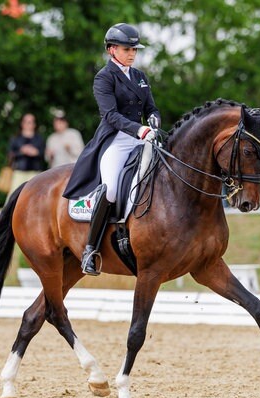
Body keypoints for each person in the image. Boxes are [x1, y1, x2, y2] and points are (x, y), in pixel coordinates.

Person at [62, 23, 161, 276]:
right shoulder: (104, 78)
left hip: (142, 137)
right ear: (111, 50)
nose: (132, 54)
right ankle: (90, 249)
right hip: (116, 140)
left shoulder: (139, 77)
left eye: (134, 50)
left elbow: (150, 107)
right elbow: (111, 115)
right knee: (112, 190)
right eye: (127, 49)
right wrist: (139, 130)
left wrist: (153, 120)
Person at [7, 113, 46, 199]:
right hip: (19, 172)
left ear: (34, 124)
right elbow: (10, 154)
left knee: (35, 196)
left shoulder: (39, 138)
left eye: (31, 122)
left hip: (35, 172)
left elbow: (44, 155)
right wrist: (22, 152)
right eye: (26, 121)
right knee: (13, 196)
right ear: (22, 123)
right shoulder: (15, 138)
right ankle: (9, 212)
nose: (28, 124)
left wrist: (36, 152)